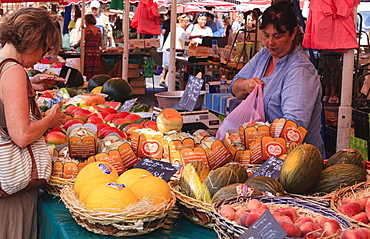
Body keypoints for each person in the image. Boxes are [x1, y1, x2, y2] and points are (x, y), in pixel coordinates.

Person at [0, 7, 66, 238]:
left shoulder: (3, 63)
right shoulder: (14, 71)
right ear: (33, 40)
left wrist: (31, 84)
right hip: (11, 194)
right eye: (45, 49)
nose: (41, 58)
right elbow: (22, 135)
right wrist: (51, 119)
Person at [229, 1, 325, 157]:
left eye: (278, 36)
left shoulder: (300, 71)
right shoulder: (265, 55)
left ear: (293, 33)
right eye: (266, 35)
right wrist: (247, 85)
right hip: (264, 152)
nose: (270, 42)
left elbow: (294, 129)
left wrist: (257, 136)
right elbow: (234, 87)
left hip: (296, 160)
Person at [160, 14, 190, 88]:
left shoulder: (176, 27)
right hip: (173, 49)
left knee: (167, 66)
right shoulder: (180, 29)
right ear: (180, 21)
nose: (186, 24)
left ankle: (163, 80)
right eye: (185, 22)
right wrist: (194, 36)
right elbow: (184, 37)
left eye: (187, 22)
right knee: (171, 66)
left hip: (169, 48)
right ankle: (170, 82)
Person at [75, 14, 102, 81]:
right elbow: (100, 42)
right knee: (95, 69)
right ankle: (95, 81)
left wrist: (75, 45)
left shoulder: (86, 29)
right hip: (96, 51)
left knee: (87, 69)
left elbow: (82, 40)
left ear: (86, 21)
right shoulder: (99, 30)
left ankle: (88, 82)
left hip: (88, 51)